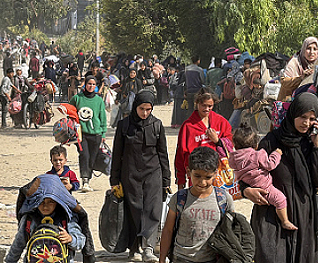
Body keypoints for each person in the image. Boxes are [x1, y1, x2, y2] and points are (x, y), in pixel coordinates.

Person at [240, 92, 318, 263]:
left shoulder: (314, 144)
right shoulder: (271, 142)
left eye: (312, 119)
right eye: (302, 116)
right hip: (270, 214)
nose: (306, 123)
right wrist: (247, 191)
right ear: (293, 114)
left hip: (303, 215)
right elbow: (247, 175)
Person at [110, 90, 171, 262]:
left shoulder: (157, 125)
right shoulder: (124, 125)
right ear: (135, 106)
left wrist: (166, 180)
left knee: (152, 210)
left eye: (148, 109)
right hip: (130, 175)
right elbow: (117, 155)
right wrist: (114, 180)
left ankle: (149, 248)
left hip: (153, 174)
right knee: (134, 211)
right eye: (142, 109)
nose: (145, 113)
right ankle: (134, 247)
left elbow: (163, 154)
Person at [159, 147, 235, 263]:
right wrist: (162, 259)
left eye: (208, 177)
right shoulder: (179, 199)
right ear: (189, 172)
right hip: (181, 258)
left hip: (212, 259)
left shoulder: (224, 199)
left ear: (215, 174)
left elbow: (232, 232)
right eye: (197, 176)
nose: (202, 182)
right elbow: (168, 230)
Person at [229, 124, 297, 230]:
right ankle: (285, 221)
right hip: (265, 187)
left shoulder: (233, 158)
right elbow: (270, 165)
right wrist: (277, 153)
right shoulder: (257, 155)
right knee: (281, 200)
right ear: (256, 145)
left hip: (250, 185)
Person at [5, 174, 86, 263]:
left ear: (58, 202)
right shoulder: (29, 218)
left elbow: (81, 241)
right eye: (41, 201)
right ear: (35, 201)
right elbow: (18, 244)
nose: (45, 206)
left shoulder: (66, 218)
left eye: (50, 202)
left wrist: (70, 239)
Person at [175, 87, 233, 190]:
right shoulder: (188, 126)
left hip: (218, 177)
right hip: (196, 177)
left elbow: (231, 146)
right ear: (196, 103)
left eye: (210, 106)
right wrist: (181, 181)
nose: (207, 109)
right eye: (203, 105)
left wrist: (218, 141)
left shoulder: (221, 122)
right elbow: (180, 155)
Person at [69, 76, 107, 192]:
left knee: (92, 159)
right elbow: (70, 112)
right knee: (84, 155)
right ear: (85, 84)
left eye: (93, 84)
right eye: (89, 84)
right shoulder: (77, 98)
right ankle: (84, 180)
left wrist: (103, 134)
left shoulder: (99, 100)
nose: (91, 86)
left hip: (96, 134)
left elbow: (102, 117)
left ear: (96, 86)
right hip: (82, 134)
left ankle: (88, 180)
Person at [277, 36, 318, 101]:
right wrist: (300, 78)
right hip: (288, 102)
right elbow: (284, 82)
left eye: (315, 49)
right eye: (308, 48)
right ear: (303, 49)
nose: (312, 52)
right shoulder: (294, 62)